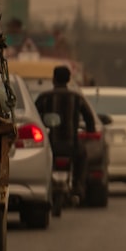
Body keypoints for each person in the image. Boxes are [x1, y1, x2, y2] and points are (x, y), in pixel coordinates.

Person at [35, 65, 97, 215]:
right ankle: (78, 188)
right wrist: (90, 131)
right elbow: (89, 118)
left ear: (54, 79)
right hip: (72, 146)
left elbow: (35, 118)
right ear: (69, 79)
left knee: (40, 161)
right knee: (82, 158)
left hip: (51, 146)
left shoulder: (44, 97)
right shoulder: (77, 98)